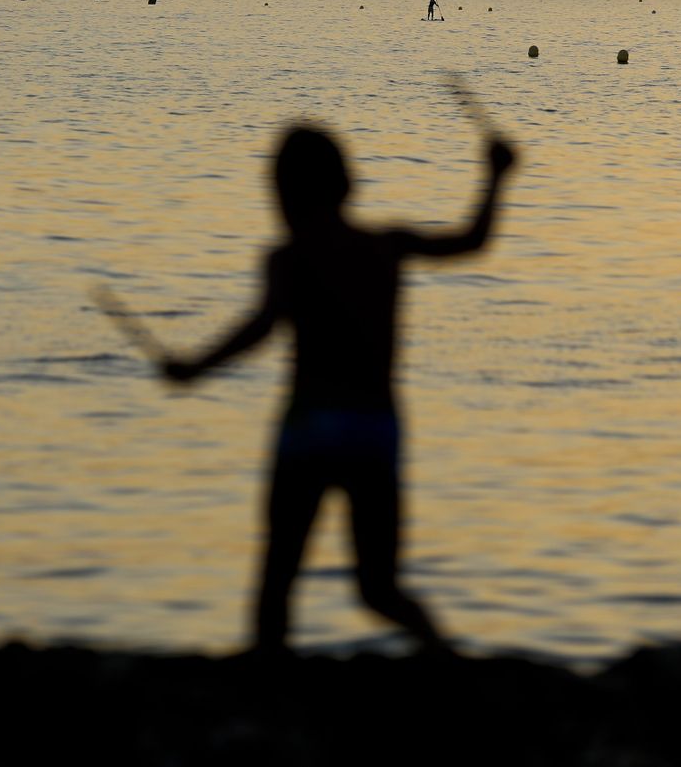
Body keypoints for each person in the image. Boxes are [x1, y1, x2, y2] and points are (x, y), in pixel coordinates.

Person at [159, 123, 517, 654]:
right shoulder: (386, 246)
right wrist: (496, 177)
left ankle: (269, 691)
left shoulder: (288, 258)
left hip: (309, 428)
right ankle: (451, 670)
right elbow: (472, 241)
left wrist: (194, 367)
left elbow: (261, 328)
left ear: (281, 193)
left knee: (279, 578)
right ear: (347, 185)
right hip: (375, 430)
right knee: (379, 588)